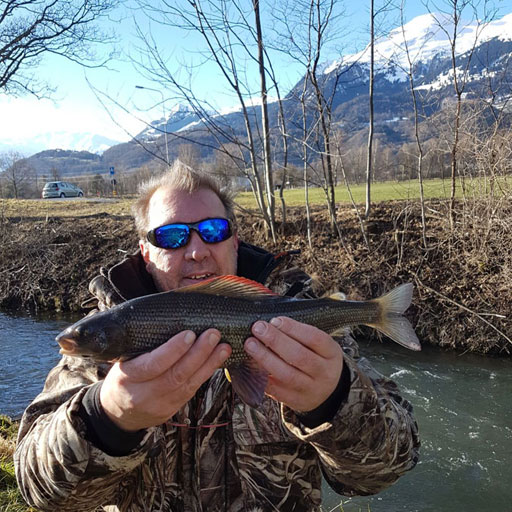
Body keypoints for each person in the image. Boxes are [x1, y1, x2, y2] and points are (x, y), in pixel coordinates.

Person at [15, 161, 420, 512]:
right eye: (171, 236)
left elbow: (387, 470)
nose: (196, 250)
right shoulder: (109, 332)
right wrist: (108, 418)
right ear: (146, 252)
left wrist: (333, 401)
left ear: (234, 240)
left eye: (213, 230)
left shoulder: (301, 323)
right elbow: (40, 492)